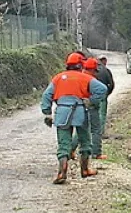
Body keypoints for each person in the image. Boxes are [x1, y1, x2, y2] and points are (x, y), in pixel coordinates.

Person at [42, 53, 107, 184]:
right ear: (80, 65)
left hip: (62, 112)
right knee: (85, 141)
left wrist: (47, 112)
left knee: (63, 143)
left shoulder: (58, 78)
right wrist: (91, 100)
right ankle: (85, 169)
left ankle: (62, 171)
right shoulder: (85, 78)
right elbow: (102, 89)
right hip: (79, 111)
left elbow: (46, 95)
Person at [69, 57, 106, 160]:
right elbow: (103, 90)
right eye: (95, 70)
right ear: (93, 69)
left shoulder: (78, 76)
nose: (95, 73)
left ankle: (70, 149)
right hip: (91, 107)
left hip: (78, 106)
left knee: (81, 129)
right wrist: (93, 100)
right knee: (95, 129)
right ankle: (96, 153)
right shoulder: (90, 79)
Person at [95, 56, 115, 147]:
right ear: (104, 61)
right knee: (102, 114)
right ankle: (100, 132)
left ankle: (92, 132)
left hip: (91, 96)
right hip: (103, 96)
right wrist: (107, 93)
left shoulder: (91, 70)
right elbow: (111, 84)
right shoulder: (106, 71)